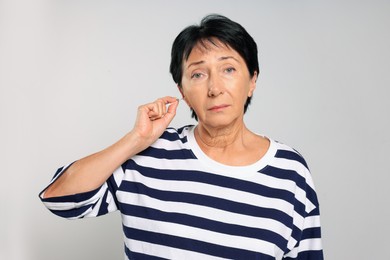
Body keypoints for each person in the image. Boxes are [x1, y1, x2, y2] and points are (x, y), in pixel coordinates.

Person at [40, 14, 324, 260]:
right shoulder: (150, 153)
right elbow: (60, 199)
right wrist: (136, 140)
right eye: (198, 74)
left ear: (252, 80)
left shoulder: (290, 171)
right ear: (183, 92)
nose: (215, 88)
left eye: (228, 69)